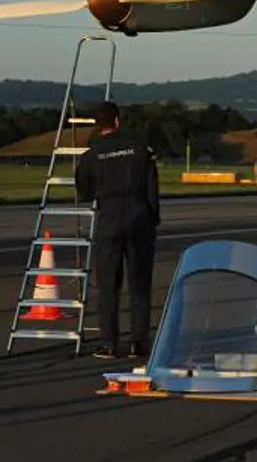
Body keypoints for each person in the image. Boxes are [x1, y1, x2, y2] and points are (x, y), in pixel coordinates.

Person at [74, 101, 159, 359]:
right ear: (118, 121)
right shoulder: (140, 150)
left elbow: (85, 192)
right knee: (140, 285)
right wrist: (153, 219)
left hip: (110, 218)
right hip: (139, 216)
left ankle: (110, 343)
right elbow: (152, 188)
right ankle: (138, 342)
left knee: (109, 285)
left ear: (98, 124)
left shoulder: (91, 155)